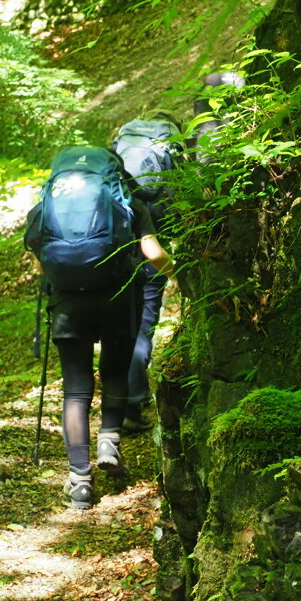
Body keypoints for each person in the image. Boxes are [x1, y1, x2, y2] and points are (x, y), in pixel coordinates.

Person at [24, 145, 175, 510]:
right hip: (118, 299)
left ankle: (80, 483)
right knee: (114, 372)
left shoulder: (44, 207)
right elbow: (153, 254)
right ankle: (109, 442)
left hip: (67, 305)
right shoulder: (128, 205)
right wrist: (179, 273)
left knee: (76, 391)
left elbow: (39, 260)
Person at [111, 112, 183, 435]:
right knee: (144, 326)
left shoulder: (125, 141)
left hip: (122, 246)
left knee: (125, 325)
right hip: (154, 243)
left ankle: (118, 405)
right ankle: (133, 405)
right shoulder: (167, 145)